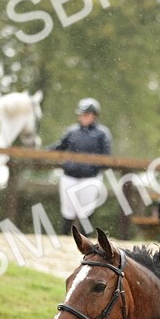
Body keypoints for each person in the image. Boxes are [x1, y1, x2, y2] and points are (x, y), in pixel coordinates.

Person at [49, 98, 112, 233]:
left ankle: (85, 240)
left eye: (86, 114)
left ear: (93, 116)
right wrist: (45, 151)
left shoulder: (102, 133)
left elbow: (106, 156)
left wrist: (91, 167)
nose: (83, 117)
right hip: (70, 175)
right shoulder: (72, 131)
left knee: (86, 212)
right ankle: (64, 236)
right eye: (82, 114)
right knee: (68, 212)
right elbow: (60, 146)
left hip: (90, 177)